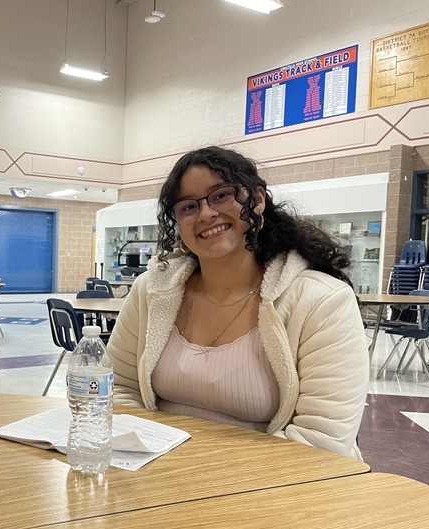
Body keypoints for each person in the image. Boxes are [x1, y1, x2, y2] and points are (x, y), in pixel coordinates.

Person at [107, 146, 369, 459]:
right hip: (156, 470)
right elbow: (118, 387)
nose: (206, 214)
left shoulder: (321, 301)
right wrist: (145, 454)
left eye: (221, 195)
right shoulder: (151, 291)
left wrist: (204, 473)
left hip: (274, 482)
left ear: (257, 200)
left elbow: (320, 440)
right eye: (188, 206)